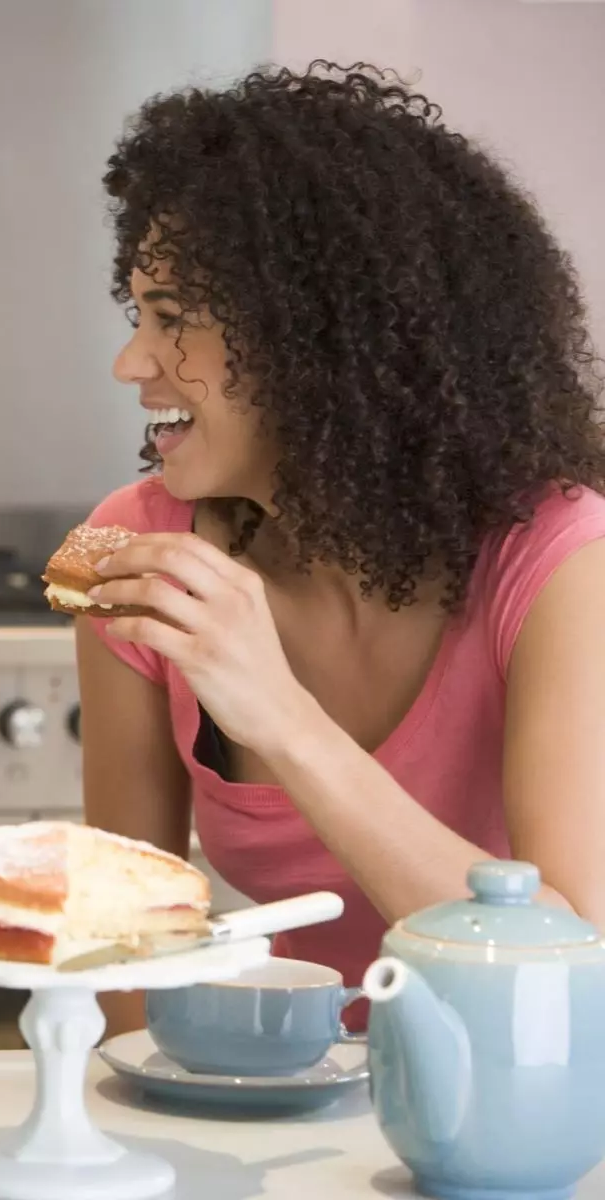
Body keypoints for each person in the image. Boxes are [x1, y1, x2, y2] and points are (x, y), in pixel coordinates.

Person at [77, 63, 605, 1036]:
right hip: (285, 1119)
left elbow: (566, 974)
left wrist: (279, 715)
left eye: (174, 320)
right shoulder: (138, 550)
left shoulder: (563, 562)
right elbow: (123, 963)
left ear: (316, 340)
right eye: (136, 314)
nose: (131, 362)